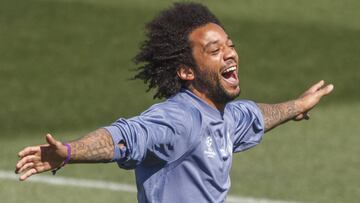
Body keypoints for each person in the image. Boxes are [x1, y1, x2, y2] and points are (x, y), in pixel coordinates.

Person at [15, 2, 333, 203]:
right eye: (214, 50)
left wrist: (296, 106)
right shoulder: (178, 120)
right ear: (186, 71)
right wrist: (70, 152)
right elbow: (126, 137)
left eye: (230, 45)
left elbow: (256, 116)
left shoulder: (223, 116)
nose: (230, 53)